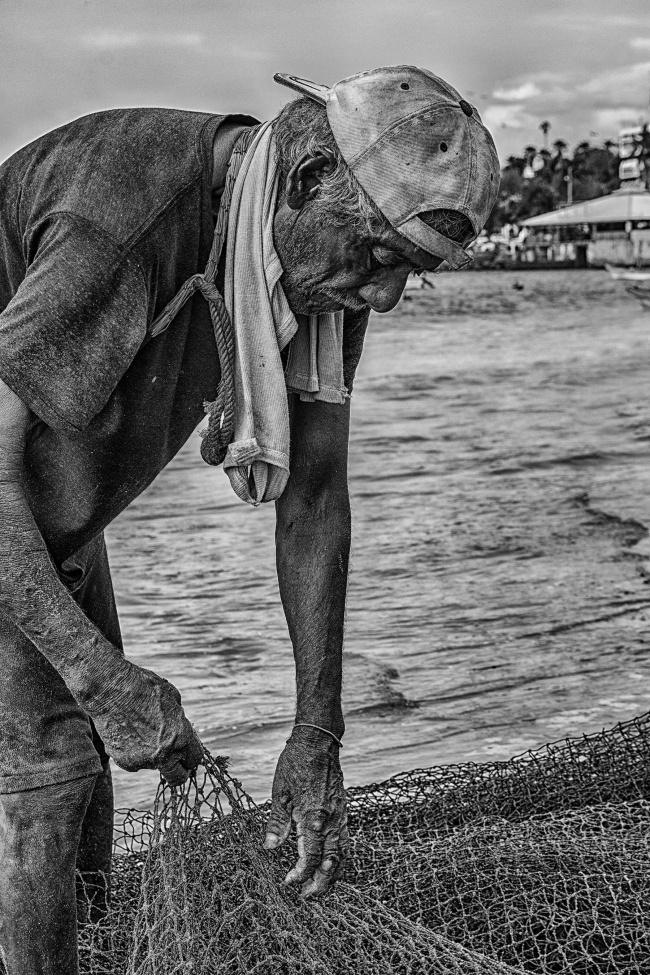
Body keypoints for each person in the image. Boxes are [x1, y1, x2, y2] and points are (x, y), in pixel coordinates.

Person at [0, 65, 499, 973]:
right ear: (308, 182)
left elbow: (312, 495)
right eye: (382, 259)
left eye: (409, 277)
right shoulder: (125, 217)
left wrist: (318, 731)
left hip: (54, 517)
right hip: (7, 508)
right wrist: (100, 677)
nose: (380, 297)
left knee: (89, 820)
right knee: (51, 774)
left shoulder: (311, 262)